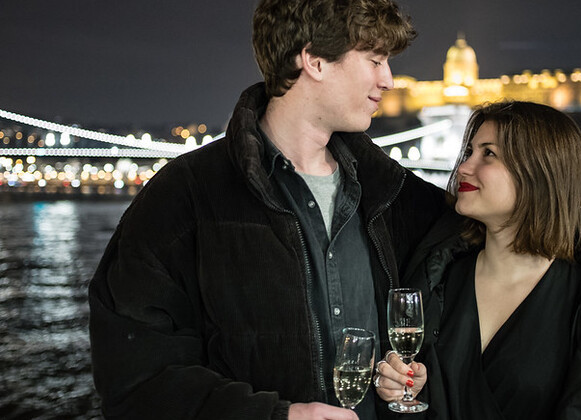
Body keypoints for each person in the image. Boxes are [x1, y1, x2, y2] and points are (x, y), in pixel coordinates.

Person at [88, 0, 441, 418]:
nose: (389, 79)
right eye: (376, 60)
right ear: (314, 61)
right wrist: (276, 416)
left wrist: (399, 372)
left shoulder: (392, 193)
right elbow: (135, 379)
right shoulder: (183, 196)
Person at [375, 101, 581, 419]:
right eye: (469, 152)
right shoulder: (436, 278)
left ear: (538, 173)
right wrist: (405, 388)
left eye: (488, 154)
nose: (463, 167)